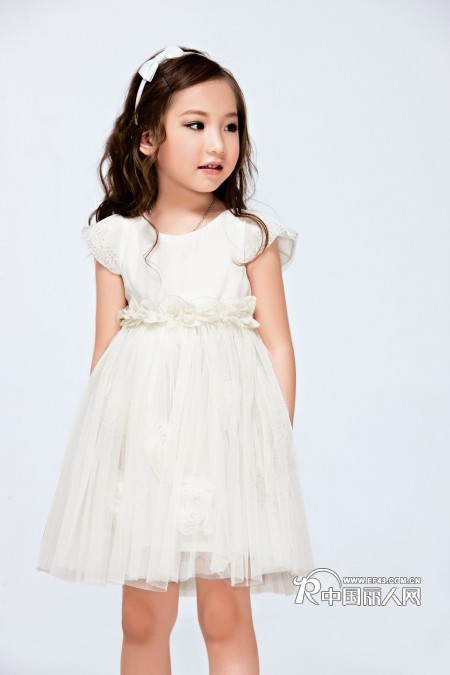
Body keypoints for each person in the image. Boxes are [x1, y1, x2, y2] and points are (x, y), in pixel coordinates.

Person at [37, 44, 315, 675]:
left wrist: (272, 442)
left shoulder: (248, 235)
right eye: (195, 124)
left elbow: (278, 342)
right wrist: (107, 455)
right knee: (142, 616)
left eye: (230, 126)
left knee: (226, 614)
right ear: (147, 139)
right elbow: (106, 351)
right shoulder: (119, 238)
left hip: (226, 450)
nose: (217, 143)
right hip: (148, 450)